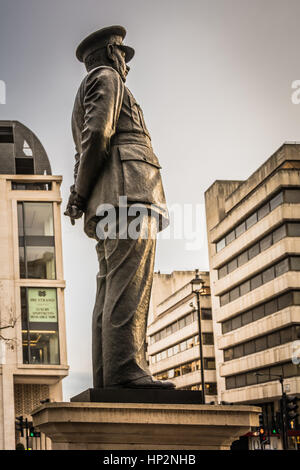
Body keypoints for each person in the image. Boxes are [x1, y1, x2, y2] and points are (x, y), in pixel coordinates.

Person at [65, 25, 174, 390]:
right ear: (112, 54)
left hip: (116, 198)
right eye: (123, 57)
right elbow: (97, 136)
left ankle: (111, 374)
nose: (126, 66)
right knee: (128, 283)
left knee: (112, 284)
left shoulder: (92, 87)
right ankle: (127, 369)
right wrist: (79, 195)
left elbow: (89, 144)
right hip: (129, 194)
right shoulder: (106, 77)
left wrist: (81, 195)